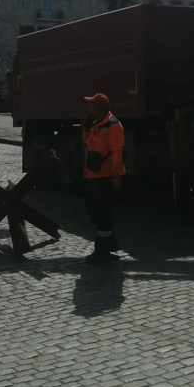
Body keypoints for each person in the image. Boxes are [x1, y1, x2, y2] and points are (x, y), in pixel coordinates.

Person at [82, 92, 126, 265]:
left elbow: (117, 153)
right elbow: (89, 144)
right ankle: (109, 245)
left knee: (102, 215)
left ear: (100, 109)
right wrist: (86, 130)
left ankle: (102, 251)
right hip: (93, 175)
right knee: (94, 212)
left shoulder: (113, 126)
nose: (88, 109)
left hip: (104, 177)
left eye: (91, 106)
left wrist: (116, 176)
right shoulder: (98, 124)